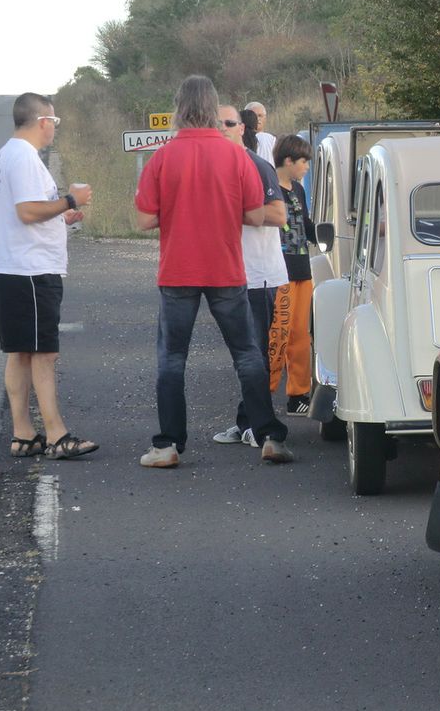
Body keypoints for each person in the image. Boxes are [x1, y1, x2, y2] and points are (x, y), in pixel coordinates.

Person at [135, 75, 292, 467]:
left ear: (179, 108)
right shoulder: (237, 157)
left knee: (172, 358)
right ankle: (268, 435)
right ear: (213, 107)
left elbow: (143, 220)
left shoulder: (163, 157)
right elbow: (256, 213)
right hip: (226, 268)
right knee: (246, 354)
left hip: (178, 270)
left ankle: (168, 445)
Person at [0, 92, 98, 460]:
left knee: (19, 352)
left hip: (9, 266)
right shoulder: (24, 158)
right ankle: (56, 434)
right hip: (30, 269)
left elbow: (30, 211)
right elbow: (28, 211)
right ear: (43, 121)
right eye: (55, 121)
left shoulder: (5, 156)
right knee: (43, 353)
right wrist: (71, 200)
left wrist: (62, 216)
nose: (55, 128)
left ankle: (23, 434)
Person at [212, 105, 288, 446]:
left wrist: (232, 209)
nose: (223, 128)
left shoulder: (258, 166)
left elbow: (278, 215)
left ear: (243, 128)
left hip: (258, 275)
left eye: (229, 123)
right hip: (227, 274)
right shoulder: (212, 167)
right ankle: (248, 421)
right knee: (244, 355)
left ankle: (261, 426)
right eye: (216, 124)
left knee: (253, 354)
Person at [269, 134, 316, 414]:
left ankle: (298, 395)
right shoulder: (269, 188)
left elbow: (306, 223)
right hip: (278, 272)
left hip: (302, 270)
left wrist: (328, 235)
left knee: (301, 336)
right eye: (303, 161)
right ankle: (264, 393)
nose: (306, 167)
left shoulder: (298, 189)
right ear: (288, 160)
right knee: (277, 336)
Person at [245, 101, 276, 165]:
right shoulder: (238, 141)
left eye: (260, 115)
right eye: (253, 116)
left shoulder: (273, 140)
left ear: (265, 118)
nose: (257, 119)